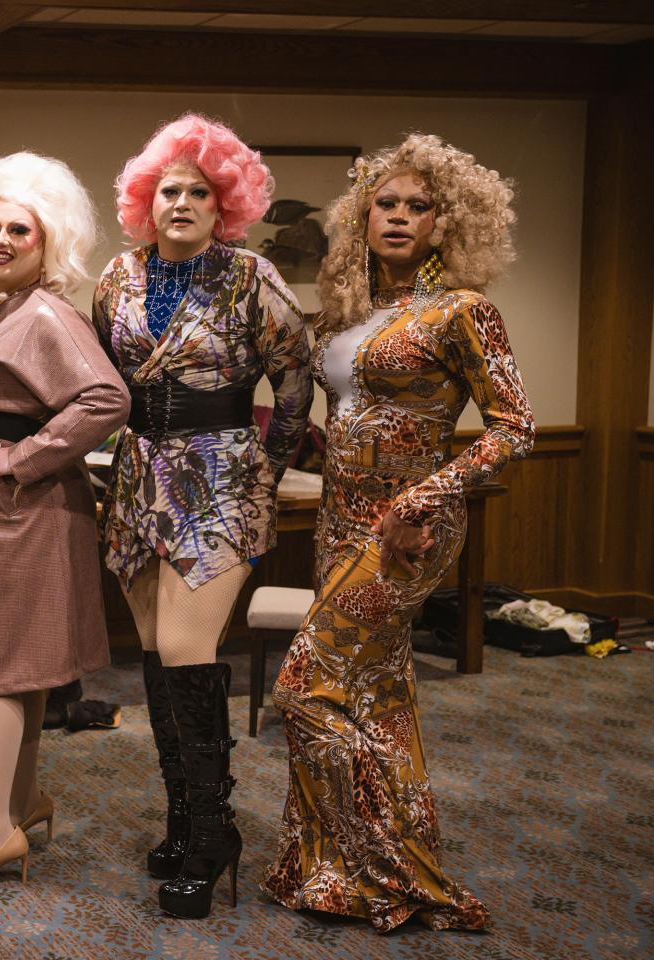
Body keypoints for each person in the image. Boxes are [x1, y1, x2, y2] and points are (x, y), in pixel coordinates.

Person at [262, 133, 532, 932]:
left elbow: (514, 428)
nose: (402, 217)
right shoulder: (350, 311)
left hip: (410, 527)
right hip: (341, 517)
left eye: (421, 207)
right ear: (364, 214)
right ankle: (335, 870)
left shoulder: (464, 313)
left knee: (303, 683)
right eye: (389, 203)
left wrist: (431, 493)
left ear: (447, 224)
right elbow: (330, 413)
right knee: (376, 691)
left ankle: (378, 857)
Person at [93, 113, 312, 919]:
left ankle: (216, 829)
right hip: (137, 476)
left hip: (219, 473)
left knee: (189, 647)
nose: (180, 202)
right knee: (153, 651)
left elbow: (294, 385)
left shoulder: (254, 278)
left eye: (200, 191)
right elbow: (106, 383)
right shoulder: (116, 279)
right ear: (145, 202)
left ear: (228, 205)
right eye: (167, 190)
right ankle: (184, 821)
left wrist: (266, 470)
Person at [0, 152, 129, 888]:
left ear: (49, 243)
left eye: (20, 231)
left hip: (13, 511)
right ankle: (22, 801)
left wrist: (24, 457)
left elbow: (106, 399)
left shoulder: (46, 312)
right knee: (20, 665)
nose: (1, 240)